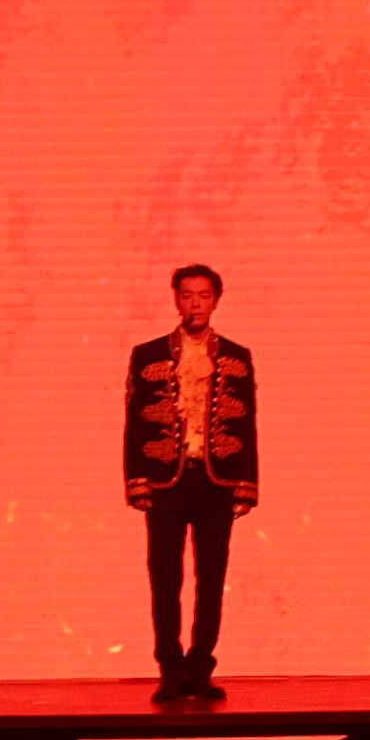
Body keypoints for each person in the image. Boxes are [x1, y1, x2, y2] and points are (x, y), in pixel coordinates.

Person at [122, 261, 259, 705]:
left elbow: (247, 424)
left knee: (212, 578)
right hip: (166, 483)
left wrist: (246, 483)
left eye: (203, 295)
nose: (195, 304)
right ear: (176, 300)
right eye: (187, 295)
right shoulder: (148, 354)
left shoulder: (237, 356)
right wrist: (137, 481)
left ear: (216, 300)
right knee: (164, 578)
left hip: (216, 483)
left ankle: (200, 668)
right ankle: (170, 668)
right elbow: (134, 424)